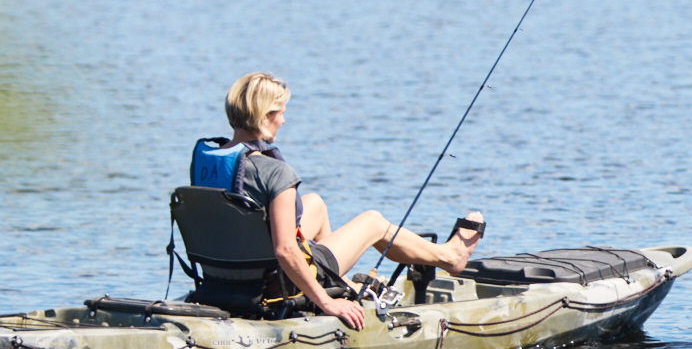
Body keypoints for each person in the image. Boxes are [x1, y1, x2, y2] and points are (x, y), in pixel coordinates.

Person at [191, 72, 485, 329]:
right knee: (373, 222)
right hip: (275, 284)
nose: (284, 118)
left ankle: (339, 284)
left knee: (314, 203)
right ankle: (450, 257)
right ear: (266, 116)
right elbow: (284, 250)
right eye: (281, 111)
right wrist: (326, 305)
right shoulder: (276, 173)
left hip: (227, 277)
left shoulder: (207, 162)